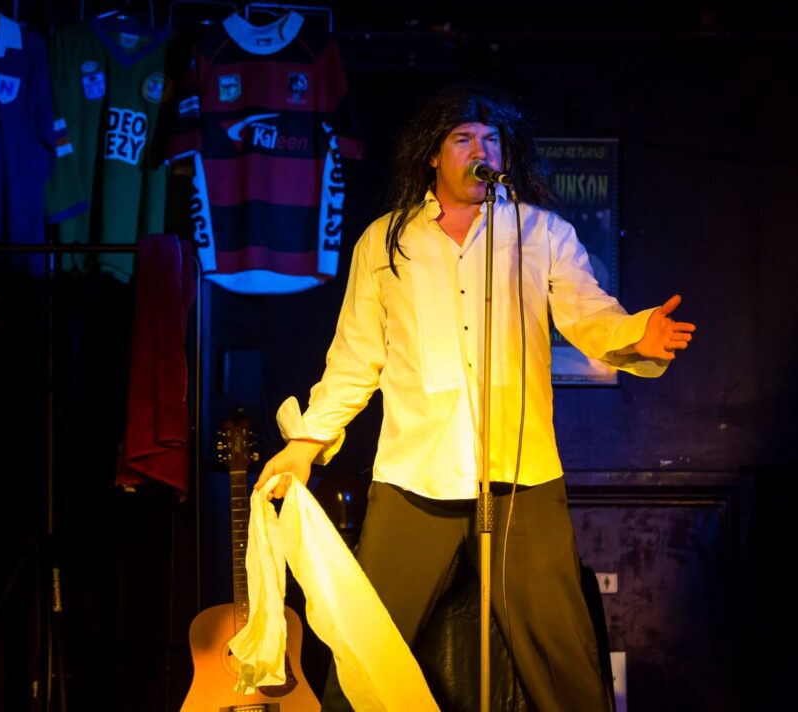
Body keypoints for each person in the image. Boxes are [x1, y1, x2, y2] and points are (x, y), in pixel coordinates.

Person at [254, 85, 695, 712]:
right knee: (369, 638)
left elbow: (589, 314)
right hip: (414, 475)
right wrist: (307, 442)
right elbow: (356, 357)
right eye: (463, 139)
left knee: (561, 649)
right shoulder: (385, 242)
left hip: (521, 475)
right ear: (432, 155)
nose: (479, 151)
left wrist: (637, 331)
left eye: (491, 141)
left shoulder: (539, 232)